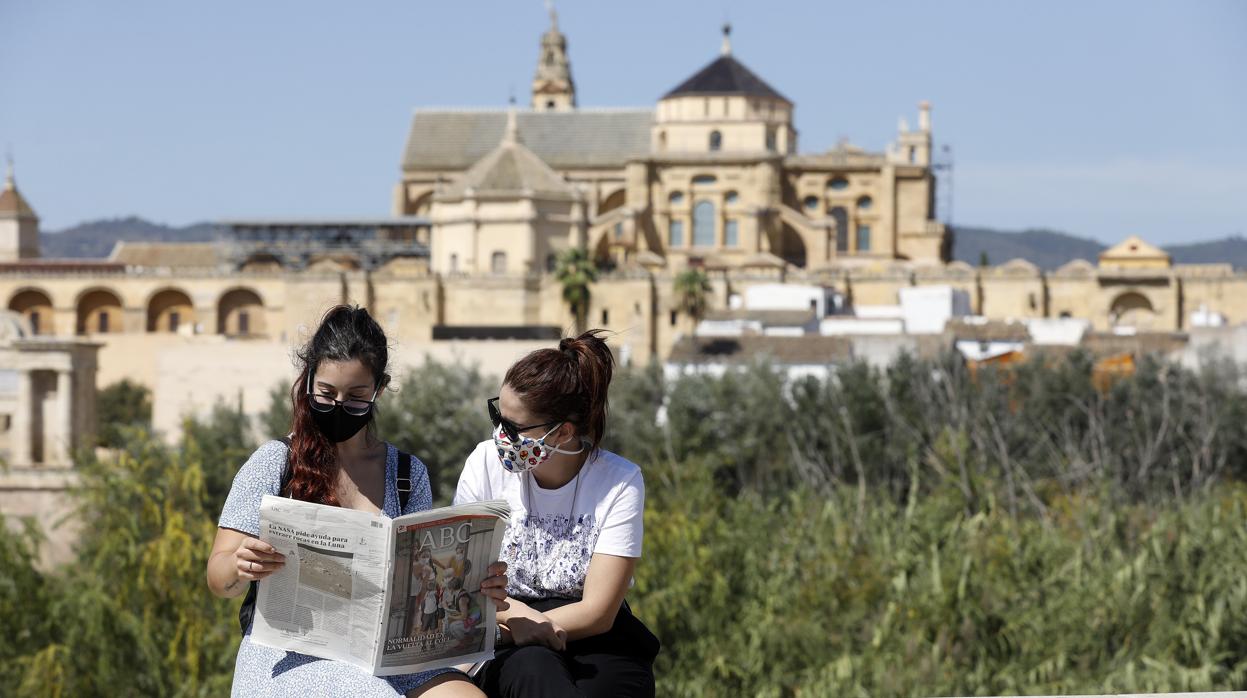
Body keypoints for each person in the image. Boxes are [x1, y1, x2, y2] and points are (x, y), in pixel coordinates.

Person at [206, 305, 508, 698]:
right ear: (309, 378)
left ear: (378, 390)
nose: (338, 406)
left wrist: (473, 587)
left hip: (388, 657)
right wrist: (240, 564)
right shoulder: (274, 463)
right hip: (290, 654)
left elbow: (424, 587)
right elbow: (219, 579)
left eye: (356, 397)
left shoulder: (406, 473)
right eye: (327, 393)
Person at [453, 330, 659, 697]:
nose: (501, 435)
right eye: (498, 416)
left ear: (562, 432)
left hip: (597, 637)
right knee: (534, 670)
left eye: (515, 429)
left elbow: (599, 612)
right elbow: (464, 582)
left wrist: (536, 624)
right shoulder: (484, 463)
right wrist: (517, 623)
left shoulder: (620, 482)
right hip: (505, 631)